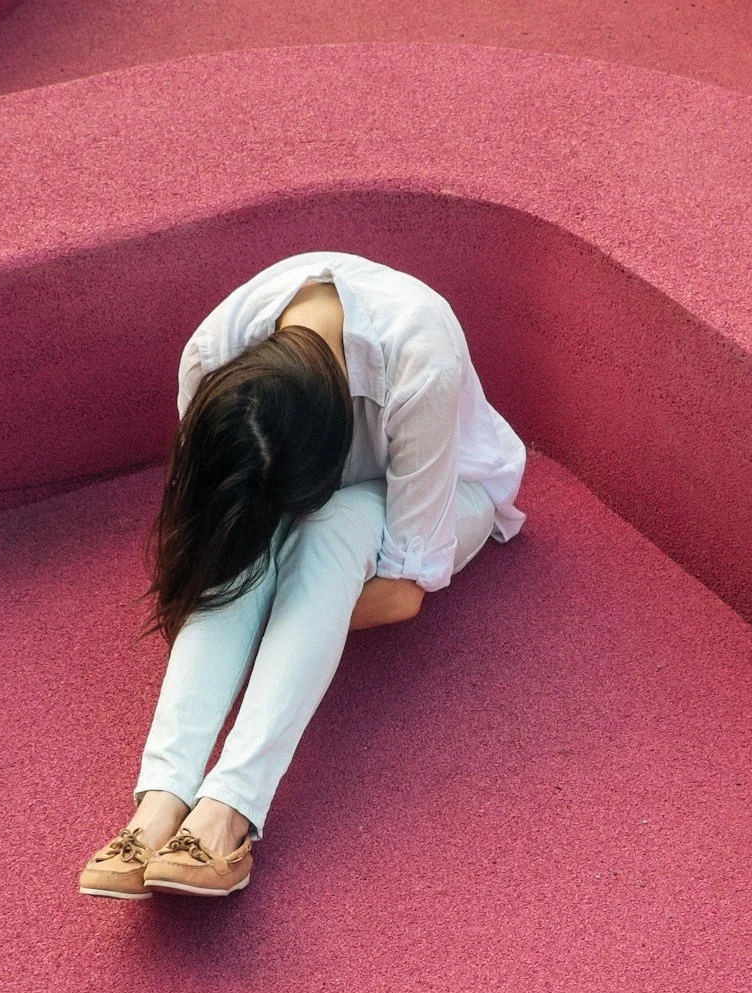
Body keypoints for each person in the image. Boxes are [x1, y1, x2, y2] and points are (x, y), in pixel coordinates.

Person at [79, 252, 529, 900]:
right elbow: (211, 530)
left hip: (454, 493)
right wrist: (245, 576)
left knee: (334, 524)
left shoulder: (418, 356)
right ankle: (158, 805)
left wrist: (278, 606)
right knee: (237, 552)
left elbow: (403, 594)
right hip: (328, 498)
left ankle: (228, 809)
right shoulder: (213, 358)